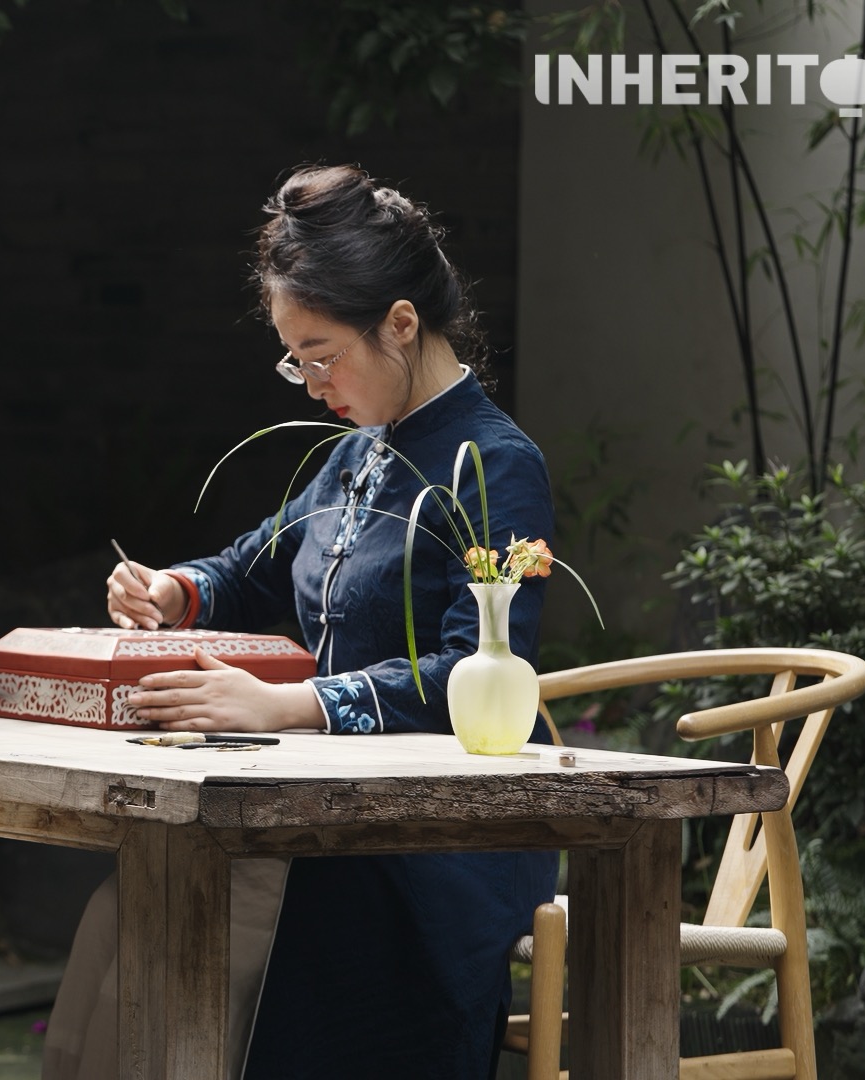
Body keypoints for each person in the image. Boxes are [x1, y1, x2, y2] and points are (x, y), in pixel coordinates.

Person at [42, 164, 558, 1080]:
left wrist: (292, 707)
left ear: (400, 324)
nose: (311, 382)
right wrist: (173, 591)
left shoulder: (495, 464)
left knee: (201, 917)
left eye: (322, 355)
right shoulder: (356, 454)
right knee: (132, 908)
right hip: (320, 815)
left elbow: (478, 674)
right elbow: (249, 566)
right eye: (297, 360)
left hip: (428, 838)